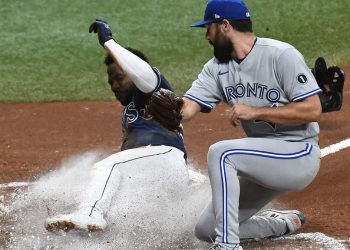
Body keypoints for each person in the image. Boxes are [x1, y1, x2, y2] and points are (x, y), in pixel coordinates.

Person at [180, 0, 323, 249]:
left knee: (222, 152)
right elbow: (186, 109)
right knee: (205, 229)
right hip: (261, 160)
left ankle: (228, 245)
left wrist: (256, 111)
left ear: (225, 26)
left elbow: (313, 109)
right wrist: (158, 105)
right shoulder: (216, 69)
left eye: (208, 28)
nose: (206, 36)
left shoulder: (281, 55)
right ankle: (283, 223)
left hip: (298, 154)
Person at [44, 19, 189, 233]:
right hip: (159, 173)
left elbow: (145, 73)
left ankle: (89, 212)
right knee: (117, 209)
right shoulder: (131, 110)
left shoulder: (153, 90)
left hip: (164, 157)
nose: (114, 86)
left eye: (119, 78)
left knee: (106, 166)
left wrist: (109, 42)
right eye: (110, 82)